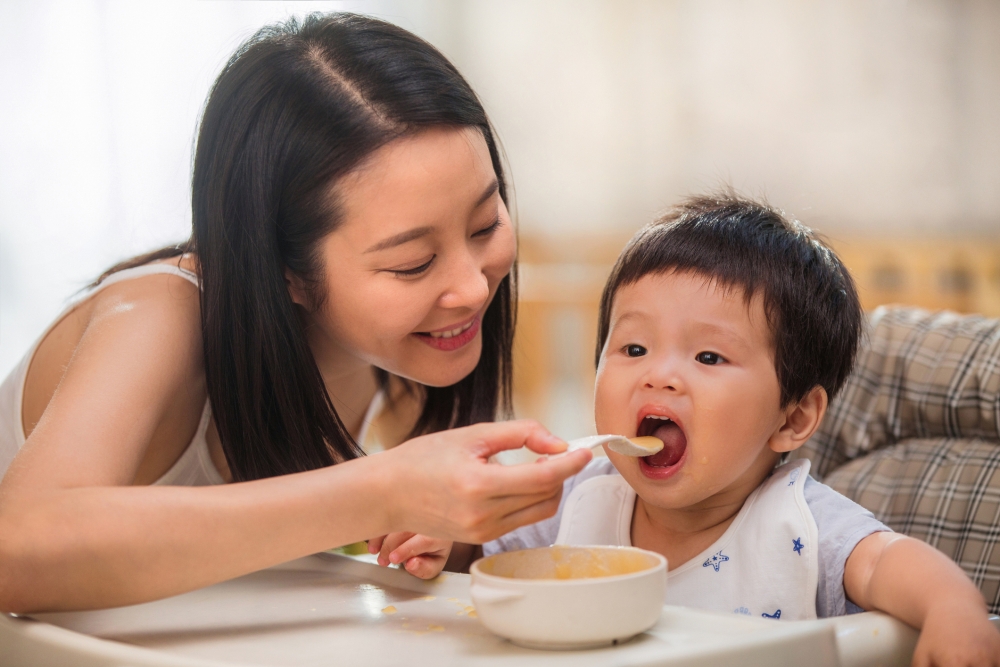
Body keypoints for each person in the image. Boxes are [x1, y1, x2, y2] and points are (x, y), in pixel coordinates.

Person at [0, 13, 592, 613]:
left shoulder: (396, 355)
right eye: (413, 263)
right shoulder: (157, 315)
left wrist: (443, 532)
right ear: (284, 272)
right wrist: (382, 492)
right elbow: (13, 553)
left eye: (486, 223)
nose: (470, 288)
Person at [403, 194, 1000, 665]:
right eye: (633, 347)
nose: (659, 376)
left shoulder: (801, 526)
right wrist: (446, 544)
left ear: (793, 417)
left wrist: (955, 612)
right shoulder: (582, 496)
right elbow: (487, 568)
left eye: (709, 358)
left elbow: (892, 566)